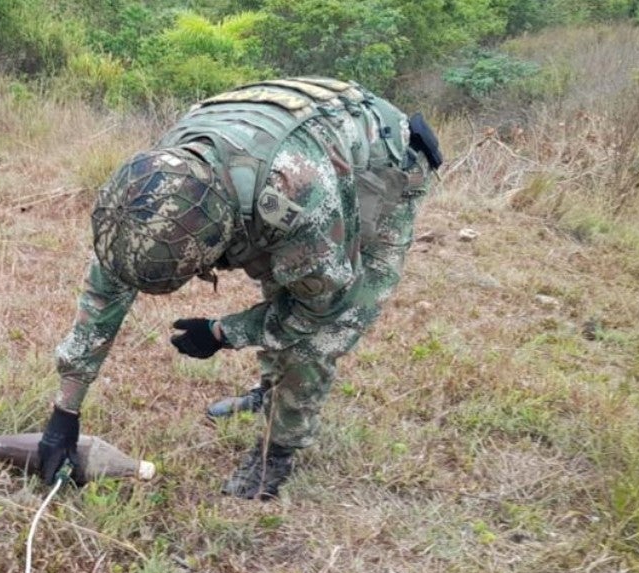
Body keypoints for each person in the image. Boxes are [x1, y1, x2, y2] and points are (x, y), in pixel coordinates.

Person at [36, 77, 442, 500]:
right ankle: (269, 392)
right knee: (283, 275)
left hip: (384, 163)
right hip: (292, 150)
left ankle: (278, 451)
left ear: (222, 241)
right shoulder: (157, 185)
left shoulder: (297, 207)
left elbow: (316, 310)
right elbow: (104, 296)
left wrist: (222, 333)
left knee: (322, 335)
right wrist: (65, 411)